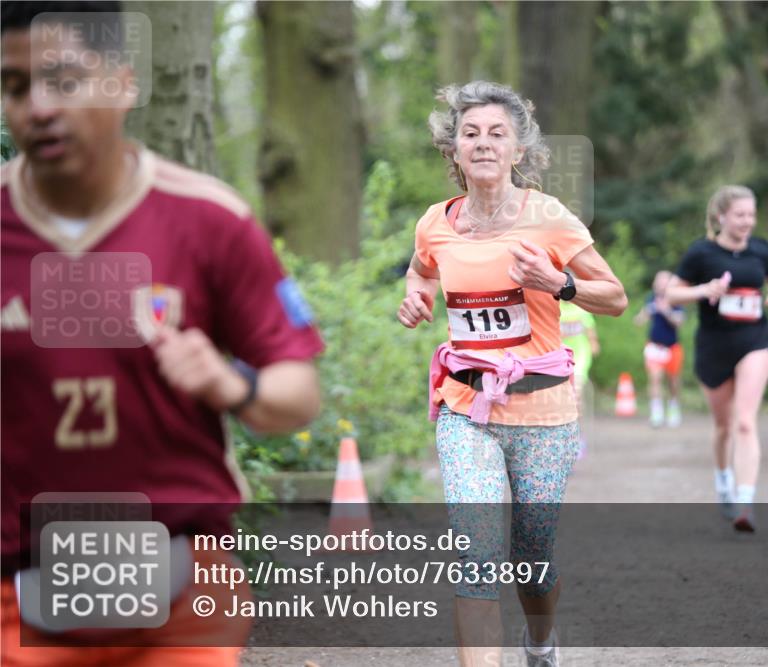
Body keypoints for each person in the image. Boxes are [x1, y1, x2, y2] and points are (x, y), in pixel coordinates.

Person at [1, 3, 324, 664]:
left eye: (64, 80)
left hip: (182, 596)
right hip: (16, 596)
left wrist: (229, 381)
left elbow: (298, 394)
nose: (37, 106)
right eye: (14, 86)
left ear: (123, 85)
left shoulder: (210, 220)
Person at [397, 81, 626, 667]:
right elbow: (422, 270)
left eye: (498, 133)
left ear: (518, 149)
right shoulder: (436, 222)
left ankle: (541, 642)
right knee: (474, 556)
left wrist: (559, 285)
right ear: (453, 150)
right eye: (470, 133)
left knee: (533, 559)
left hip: (543, 411)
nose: (483, 143)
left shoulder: (549, 218)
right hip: (466, 410)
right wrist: (416, 297)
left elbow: (615, 297)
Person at [665, 185, 768, 532]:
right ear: (721, 217)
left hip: (754, 342)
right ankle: (724, 483)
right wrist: (704, 290)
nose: (747, 221)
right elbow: (671, 291)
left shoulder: (761, 250)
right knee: (723, 427)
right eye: (740, 215)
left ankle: (745, 502)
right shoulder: (702, 253)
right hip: (714, 346)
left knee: (745, 421)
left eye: (751, 214)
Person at [634, 271, 685, 427]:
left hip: (672, 346)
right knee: (654, 378)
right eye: (659, 281)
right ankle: (656, 412)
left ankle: (673, 407)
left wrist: (666, 311)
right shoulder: (651, 298)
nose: (661, 285)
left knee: (673, 381)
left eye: (664, 282)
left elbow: (679, 321)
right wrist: (646, 313)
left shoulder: (676, 299)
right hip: (654, 346)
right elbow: (638, 320)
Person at [559, 298, 599, 457]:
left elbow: (591, 333)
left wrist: (594, 344)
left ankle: (577, 438)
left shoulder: (581, 308)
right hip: (560, 358)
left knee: (577, 396)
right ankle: (565, 437)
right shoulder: (555, 307)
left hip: (580, 357)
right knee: (562, 400)